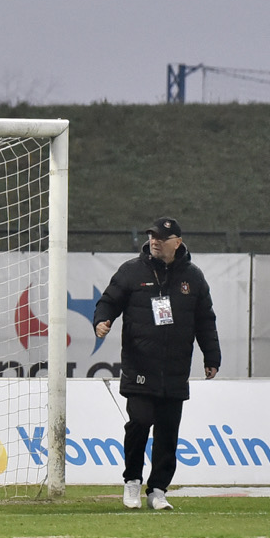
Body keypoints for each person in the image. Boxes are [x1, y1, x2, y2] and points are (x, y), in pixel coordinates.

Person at [93, 217, 221, 511]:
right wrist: (102, 320)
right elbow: (108, 301)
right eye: (152, 236)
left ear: (177, 242)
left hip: (175, 369)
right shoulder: (131, 271)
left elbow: (205, 320)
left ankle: (158, 489)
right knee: (139, 423)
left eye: (161, 238)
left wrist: (211, 357)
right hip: (140, 365)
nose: (155, 241)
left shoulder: (194, 277)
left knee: (168, 431)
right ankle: (132, 481)